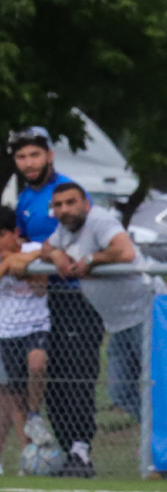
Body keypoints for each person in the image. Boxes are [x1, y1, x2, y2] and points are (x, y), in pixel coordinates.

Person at [40, 184, 159, 464]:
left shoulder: (98, 220)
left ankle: (163, 444)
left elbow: (125, 252)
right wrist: (56, 255)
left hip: (146, 313)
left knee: (156, 386)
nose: (64, 209)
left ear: (86, 203)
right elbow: (46, 248)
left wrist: (92, 259)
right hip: (118, 323)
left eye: (71, 202)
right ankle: (158, 436)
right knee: (120, 392)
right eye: (58, 205)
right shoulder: (65, 230)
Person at [8, 126, 102, 459]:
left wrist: (40, 253)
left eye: (35, 154)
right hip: (44, 302)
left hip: (78, 296)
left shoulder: (68, 193)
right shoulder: (24, 199)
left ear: (49, 155)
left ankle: (81, 448)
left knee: (78, 374)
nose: (29, 162)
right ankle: (63, 451)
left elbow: (81, 238)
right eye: (22, 156)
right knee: (54, 378)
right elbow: (22, 244)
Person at [0, 206, 50, 459]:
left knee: (37, 363)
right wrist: (8, 263)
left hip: (35, 326)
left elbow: (40, 289)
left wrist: (21, 261)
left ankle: (35, 414)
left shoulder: (33, 249)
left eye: (1, 235)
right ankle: (29, 455)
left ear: (15, 233)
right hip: (6, 332)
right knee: (13, 397)